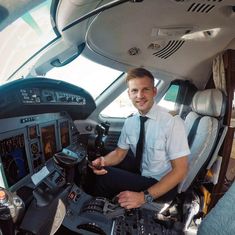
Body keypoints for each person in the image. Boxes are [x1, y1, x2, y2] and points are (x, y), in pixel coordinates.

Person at [89, 67, 190, 209]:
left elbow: (181, 170)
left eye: (145, 90)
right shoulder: (131, 121)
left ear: (154, 91)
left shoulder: (172, 122)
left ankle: (96, 214)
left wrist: (144, 197)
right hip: (142, 171)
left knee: (105, 177)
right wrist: (103, 161)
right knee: (105, 156)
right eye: (135, 90)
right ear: (129, 94)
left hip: (162, 184)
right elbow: (119, 153)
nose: (140, 95)